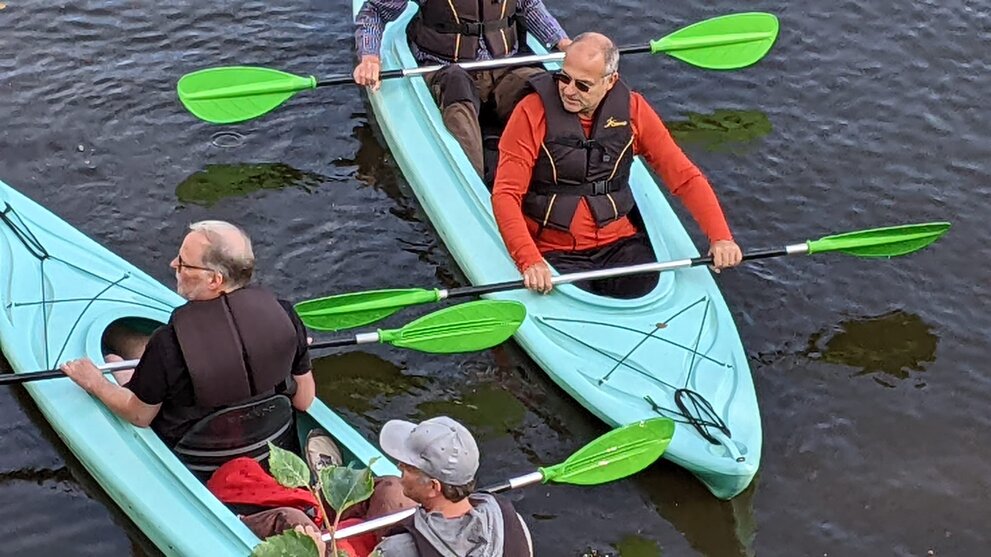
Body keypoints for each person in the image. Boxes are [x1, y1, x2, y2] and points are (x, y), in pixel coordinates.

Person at [491, 32, 744, 299]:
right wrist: (529, 260)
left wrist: (720, 237)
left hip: (621, 244)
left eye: (583, 85)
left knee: (642, 289)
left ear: (610, 81)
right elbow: (506, 195)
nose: (568, 90)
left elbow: (684, 178)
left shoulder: (634, 110)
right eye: (564, 78)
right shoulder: (531, 112)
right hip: (552, 249)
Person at [60, 220, 316, 473]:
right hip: (269, 444)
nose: (173, 265)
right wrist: (292, 349)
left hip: (198, 457)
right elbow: (304, 400)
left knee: (115, 359)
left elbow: (139, 416)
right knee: (146, 356)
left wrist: (94, 382)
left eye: (183, 262)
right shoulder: (285, 316)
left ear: (215, 280)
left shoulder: (168, 343)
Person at [354, 0, 572, 177]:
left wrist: (562, 43)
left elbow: (529, 7)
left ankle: (555, 169)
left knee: (542, 87)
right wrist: (370, 57)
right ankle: (475, 179)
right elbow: (374, 11)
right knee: (457, 88)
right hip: (446, 66)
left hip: (504, 65)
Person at [369, 416, 533, 556]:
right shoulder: (513, 523)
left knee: (388, 490)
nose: (399, 466)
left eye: (408, 467)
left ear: (434, 487)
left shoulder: (396, 549)